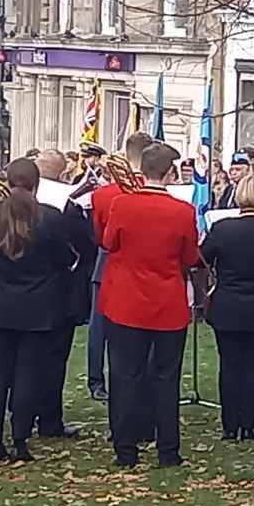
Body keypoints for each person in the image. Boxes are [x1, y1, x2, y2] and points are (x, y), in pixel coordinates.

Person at [99, 142, 200, 468]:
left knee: (125, 374)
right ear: (170, 173)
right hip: (167, 302)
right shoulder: (182, 211)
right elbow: (189, 257)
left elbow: (108, 242)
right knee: (166, 377)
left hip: (126, 300)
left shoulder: (122, 204)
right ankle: (167, 450)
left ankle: (125, 449)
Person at [0, 158, 76, 462]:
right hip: (37, 301)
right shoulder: (51, 217)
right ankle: (19, 439)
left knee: (0, 371)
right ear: (36, 184)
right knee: (27, 371)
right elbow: (62, 258)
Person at [201, 174, 254, 441]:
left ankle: (229, 425)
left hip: (227, 304)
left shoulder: (223, 228)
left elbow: (203, 257)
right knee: (253, 364)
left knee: (230, 364)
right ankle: (248, 425)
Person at [86, 131, 152, 402]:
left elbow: (100, 235)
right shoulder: (153, 191)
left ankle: (96, 381)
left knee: (98, 326)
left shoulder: (103, 194)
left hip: (108, 263)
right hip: (145, 266)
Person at [34, 148, 94, 439]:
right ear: (62, 175)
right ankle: (49, 420)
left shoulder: (12, 203)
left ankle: (21, 413)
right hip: (57, 290)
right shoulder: (67, 207)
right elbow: (85, 246)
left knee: (24, 357)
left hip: (20, 291)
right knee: (53, 359)